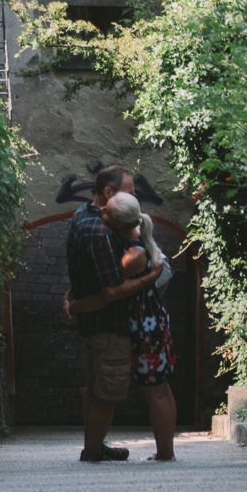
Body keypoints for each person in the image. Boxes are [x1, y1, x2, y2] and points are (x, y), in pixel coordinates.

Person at [64, 165, 161, 464]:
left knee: (95, 387)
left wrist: (73, 298)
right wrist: (151, 276)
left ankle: (95, 445)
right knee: (107, 391)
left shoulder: (82, 215)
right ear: (109, 193)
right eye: (129, 191)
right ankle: (93, 452)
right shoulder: (102, 232)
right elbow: (111, 290)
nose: (135, 196)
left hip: (92, 325)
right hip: (110, 326)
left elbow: (89, 275)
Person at [105, 190, 178, 462]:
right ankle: (166, 451)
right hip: (155, 323)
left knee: (155, 393)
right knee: (162, 390)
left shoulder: (133, 254)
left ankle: (165, 453)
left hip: (144, 329)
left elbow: (115, 287)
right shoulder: (145, 246)